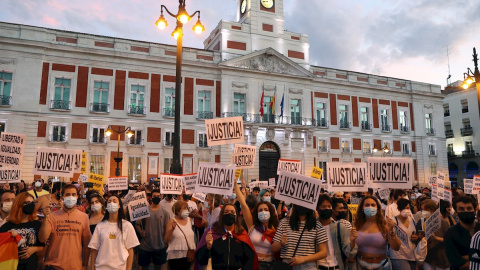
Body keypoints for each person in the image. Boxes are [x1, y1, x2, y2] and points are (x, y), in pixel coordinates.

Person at [39, 184, 91, 270]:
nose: (71, 197)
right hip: (54, 265)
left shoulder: (84, 217)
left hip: (75, 266)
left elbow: (86, 244)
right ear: (62, 197)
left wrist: (85, 264)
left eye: (73, 194)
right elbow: (42, 238)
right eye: (67, 194)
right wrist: (45, 218)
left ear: (77, 197)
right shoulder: (52, 216)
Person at [196, 203, 258, 269]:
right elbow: (201, 260)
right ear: (221, 215)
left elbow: (249, 258)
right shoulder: (212, 233)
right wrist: (207, 247)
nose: (229, 214)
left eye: (232, 212)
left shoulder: (242, 234)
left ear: (236, 216)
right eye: (226, 212)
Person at [235, 182, 278, 270]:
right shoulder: (252, 226)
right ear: (256, 213)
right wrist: (235, 184)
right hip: (252, 265)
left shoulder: (276, 229)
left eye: (266, 210)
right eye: (260, 210)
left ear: (270, 212)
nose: (263, 212)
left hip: (269, 266)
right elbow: (243, 205)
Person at [89, 195, 139, 269]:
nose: (111, 203)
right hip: (101, 267)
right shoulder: (100, 226)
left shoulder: (127, 226)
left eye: (114, 201)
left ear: (119, 206)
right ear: (106, 206)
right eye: (109, 201)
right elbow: (94, 250)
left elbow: (130, 251)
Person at [272, 204, 328, 270]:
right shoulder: (284, 223)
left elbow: (324, 252)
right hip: (287, 265)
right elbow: (273, 248)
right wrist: (281, 243)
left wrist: (303, 259)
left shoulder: (316, 225)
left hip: (307, 266)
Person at [0, 192, 45, 270]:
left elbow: (43, 246)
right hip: (12, 266)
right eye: (26, 203)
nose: (30, 205)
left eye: (32, 202)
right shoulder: (7, 226)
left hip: (31, 265)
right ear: (18, 205)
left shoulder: (37, 224)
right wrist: (8, 236)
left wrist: (34, 249)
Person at [355, 195, 400, 270]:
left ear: (377, 208)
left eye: (373, 205)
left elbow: (396, 247)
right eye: (367, 205)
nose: (370, 207)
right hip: (360, 265)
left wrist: (391, 231)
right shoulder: (356, 225)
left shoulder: (385, 225)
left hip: (382, 266)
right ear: (362, 208)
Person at [317, 194, 357, 270]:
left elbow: (349, 253)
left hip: (337, 267)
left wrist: (352, 241)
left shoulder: (339, 227)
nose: (327, 209)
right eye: (324, 207)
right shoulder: (313, 227)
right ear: (317, 208)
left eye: (329, 206)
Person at [135, 189, 171, 270]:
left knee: (158, 268)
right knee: (144, 268)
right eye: (154, 196)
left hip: (160, 247)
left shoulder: (165, 213)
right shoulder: (144, 210)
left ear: (161, 197)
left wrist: (166, 242)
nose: (156, 198)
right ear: (150, 197)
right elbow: (137, 224)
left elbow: (167, 229)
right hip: (145, 247)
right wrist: (141, 232)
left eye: (158, 196)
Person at [445, 195, 480, 270]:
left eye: (469, 208)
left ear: (474, 210)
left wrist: (467, 257)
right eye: (461, 209)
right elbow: (456, 263)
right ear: (456, 212)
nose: (466, 211)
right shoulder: (450, 233)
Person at [416, 199, 449, 270]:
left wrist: (436, 238)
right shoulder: (421, 222)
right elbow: (418, 235)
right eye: (422, 209)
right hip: (428, 258)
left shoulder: (443, 222)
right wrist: (419, 237)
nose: (423, 212)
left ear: (432, 209)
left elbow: (449, 240)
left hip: (441, 258)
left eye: (425, 209)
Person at [164, 201, 196, 268]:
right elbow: (166, 240)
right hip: (175, 257)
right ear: (178, 211)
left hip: (188, 255)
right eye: (184, 208)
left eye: (187, 208)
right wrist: (172, 229)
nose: (187, 210)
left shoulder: (189, 220)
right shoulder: (172, 221)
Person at [388, 198, 418, 270]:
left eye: (408, 208)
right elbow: (390, 237)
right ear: (399, 208)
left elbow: (415, 232)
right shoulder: (393, 221)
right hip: (399, 255)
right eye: (404, 208)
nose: (406, 210)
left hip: (412, 254)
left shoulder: (412, 220)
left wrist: (417, 237)